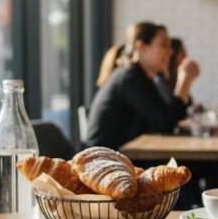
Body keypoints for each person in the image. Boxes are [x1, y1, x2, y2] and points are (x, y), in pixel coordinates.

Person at [85, 21, 200, 150]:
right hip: (105, 162)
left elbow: (170, 118)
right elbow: (166, 124)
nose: (170, 52)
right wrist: (184, 81)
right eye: (164, 45)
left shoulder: (141, 77)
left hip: (123, 157)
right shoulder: (130, 77)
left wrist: (185, 82)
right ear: (141, 47)